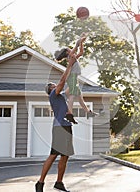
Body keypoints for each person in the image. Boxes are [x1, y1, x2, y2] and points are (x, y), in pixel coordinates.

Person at [35, 54, 76, 192]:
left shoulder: (61, 96)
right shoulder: (54, 94)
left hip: (67, 126)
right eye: (53, 85)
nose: (55, 85)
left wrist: (75, 65)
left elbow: (71, 85)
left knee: (65, 156)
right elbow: (62, 81)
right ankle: (40, 183)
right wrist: (69, 65)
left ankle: (59, 182)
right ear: (51, 89)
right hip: (60, 128)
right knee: (53, 155)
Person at [54, 33, 97, 124]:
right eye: (69, 49)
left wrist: (81, 43)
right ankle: (69, 113)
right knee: (72, 95)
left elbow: (81, 52)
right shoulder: (70, 56)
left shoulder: (73, 57)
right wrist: (80, 39)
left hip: (74, 78)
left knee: (80, 97)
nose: (71, 49)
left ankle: (88, 112)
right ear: (67, 52)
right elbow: (76, 46)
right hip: (72, 77)